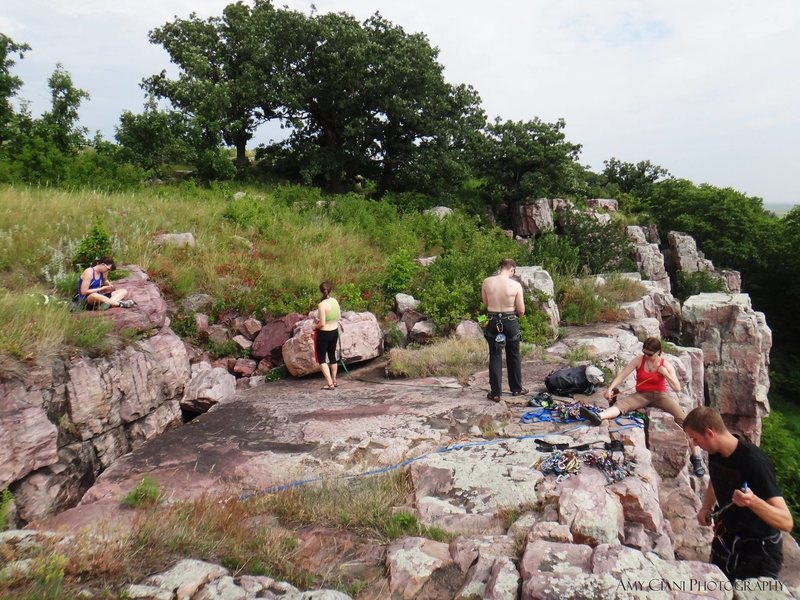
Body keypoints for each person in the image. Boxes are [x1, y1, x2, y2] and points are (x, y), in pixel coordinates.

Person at [684, 406, 793, 582]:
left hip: (759, 552)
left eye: (696, 439)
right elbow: (715, 477)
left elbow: (786, 522)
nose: (695, 445)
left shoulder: (755, 463)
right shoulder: (716, 452)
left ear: (709, 433)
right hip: (727, 538)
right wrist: (706, 507)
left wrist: (753, 502)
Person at [579, 336, 706, 477]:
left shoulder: (666, 365)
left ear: (659, 352)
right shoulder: (639, 360)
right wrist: (610, 388)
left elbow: (676, 388)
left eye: (649, 354)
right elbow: (623, 374)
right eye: (644, 352)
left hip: (660, 396)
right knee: (622, 405)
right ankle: (598, 416)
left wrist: (665, 374)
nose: (646, 355)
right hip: (642, 395)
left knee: (683, 419)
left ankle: (696, 458)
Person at [481, 258, 528, 402]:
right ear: (512, 269)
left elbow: (486, 303)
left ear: (500, 267)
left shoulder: (487, 282)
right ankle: (516, 389)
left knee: (495, 356)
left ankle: (495, 393)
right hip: (510, 321)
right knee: (513, 355)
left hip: (492, 320)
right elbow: (521, 310)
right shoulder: (515, 285)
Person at [314, 281, 341, 390]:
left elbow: (322, 323)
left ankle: (329, 383)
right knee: (332, 356)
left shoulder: (322, 304)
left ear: (321, 291)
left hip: (324, 333)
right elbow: (338, 316)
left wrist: (314, 326)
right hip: (334, 331)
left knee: (321, 358)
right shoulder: (335, 301)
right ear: (330, 290)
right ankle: (334, 380)